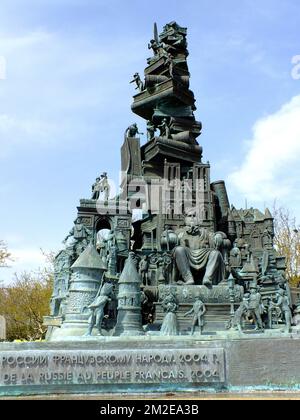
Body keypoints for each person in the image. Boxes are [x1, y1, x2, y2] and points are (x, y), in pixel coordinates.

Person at [174, 209, 227, 287]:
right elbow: (167, 237)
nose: (192, 218)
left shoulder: (204, 231)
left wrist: (218, 235)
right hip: (187, 256)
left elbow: (215, 235)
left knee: (215, 253)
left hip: (203, 254)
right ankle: (188, 278)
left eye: (194, 216)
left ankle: (207, 278)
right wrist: (173, 238)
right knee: (178, 250)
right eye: (189, 216)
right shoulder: (179, 232)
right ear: (185, 219)